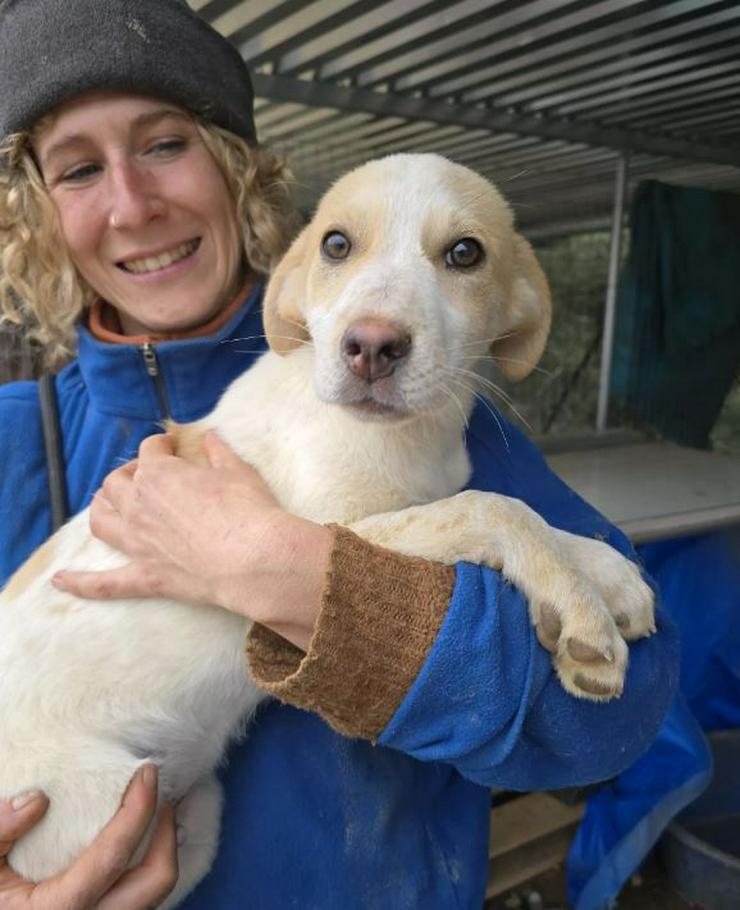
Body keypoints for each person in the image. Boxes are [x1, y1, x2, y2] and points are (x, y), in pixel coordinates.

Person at [0, 1, 679, 908]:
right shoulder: (14, 434)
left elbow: (622, 715)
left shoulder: (437, 411)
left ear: (235, 166)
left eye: (166, 145)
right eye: (79, 169)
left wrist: (279, 570)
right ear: (38, 211)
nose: (133, 204)